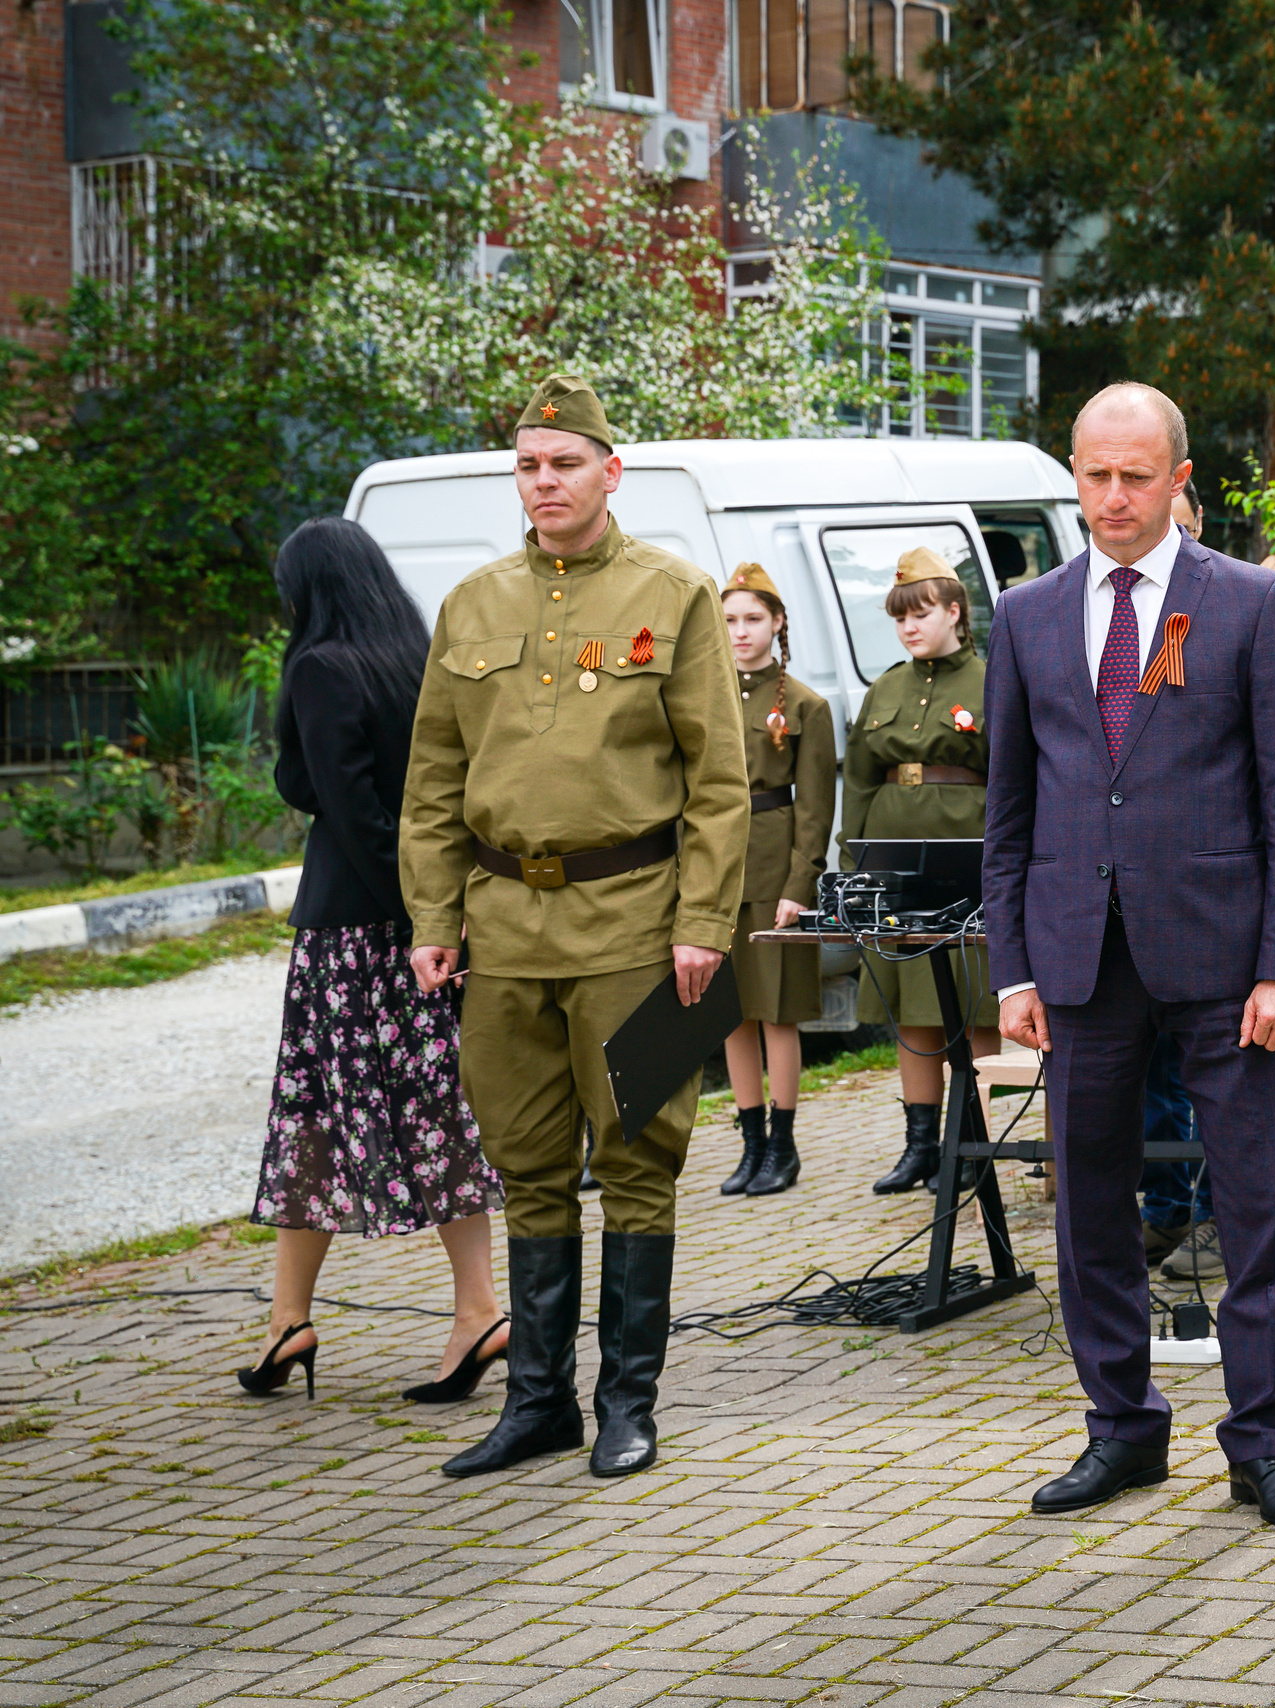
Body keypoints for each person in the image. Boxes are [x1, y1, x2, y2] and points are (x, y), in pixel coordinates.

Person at [982, 381, 1275, 1531]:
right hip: (1080, 960)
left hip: (1227, 962)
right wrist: (1014, 970)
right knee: (1088, 1208)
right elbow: (1010, 811)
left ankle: (1263, 1444)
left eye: (1137, 476)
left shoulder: (1247, 604)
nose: (1114, 497)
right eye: (1094, 474)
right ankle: (1120, 1430)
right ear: (1072, 474)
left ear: (1182, 480)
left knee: (1259, 1201)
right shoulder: (1028, 612)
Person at [402, 373, 749, 1480]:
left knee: (641, 1161)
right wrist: (432, 913)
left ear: (610, 470)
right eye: (528, 464)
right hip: (503, 935)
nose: (543, 482)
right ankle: (537, 1402)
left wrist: (705, 922)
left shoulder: (679, 594)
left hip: (642, 931)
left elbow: (719, 782)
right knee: (529, 1167)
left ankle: (628, 1406)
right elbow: (433, 779)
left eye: (564, 463)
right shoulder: (473, 603)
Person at [240, 518, 511, 1405]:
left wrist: (409, 918)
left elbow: (336, 805)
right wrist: (440, 914)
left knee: (319, 1117)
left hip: (355, 933)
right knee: (430, 1112)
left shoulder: (319, 668)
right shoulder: (416, 654)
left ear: (307, 591)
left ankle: (463, 1313)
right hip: (425, 919)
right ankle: (299, 1319)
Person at [1147, 487, 1275, 1280]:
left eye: (1184, 521)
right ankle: (1168, 1205)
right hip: (1130, 901)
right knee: (1151, 1083)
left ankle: (1220, 1218)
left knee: (1225, 1079)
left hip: (1221, 897)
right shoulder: (1101, 608)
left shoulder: (1239, 598)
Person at [840, 547, 1001, 1192]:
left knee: (974, 1001)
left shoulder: (991, 681)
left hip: (970, 857)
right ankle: (920, 1146)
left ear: (954, 612)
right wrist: (855, 861)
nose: (909, 627)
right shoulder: (886, 687)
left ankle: (974, 1143)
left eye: (921, 613)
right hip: (895, 862)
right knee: (913, 1005)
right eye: (899, 618)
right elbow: (857, 777)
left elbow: (1012, 776)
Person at [717, 563, 837, 1196]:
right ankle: (751, 1143)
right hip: (716, 876)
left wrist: (799, 886)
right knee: (729, 1016)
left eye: (753, 619)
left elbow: (814, 810)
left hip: (773, 870)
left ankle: (784, 1145)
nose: (740, 632)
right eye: (731, 619)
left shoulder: (805, 705)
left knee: (778, 1014)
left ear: (778, 622)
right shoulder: (702, 697)